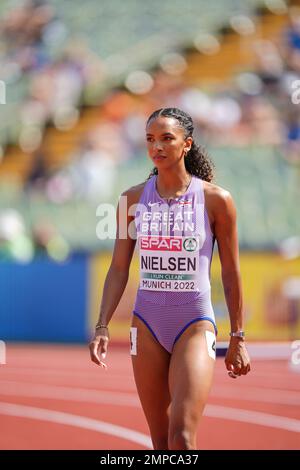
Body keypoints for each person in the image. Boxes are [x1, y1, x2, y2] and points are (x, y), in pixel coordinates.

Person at [89, 107, 251, 450]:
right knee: (161, 442)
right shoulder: (131, 200)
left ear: (187, 144)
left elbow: (232, 272)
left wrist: (238, 335)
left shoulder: (216, 200)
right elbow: (119, 268)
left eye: (166, 138)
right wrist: (102, 325)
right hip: (146, 324)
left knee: (182, 437)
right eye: (150, 139)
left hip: (195, 323)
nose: (156, 147)